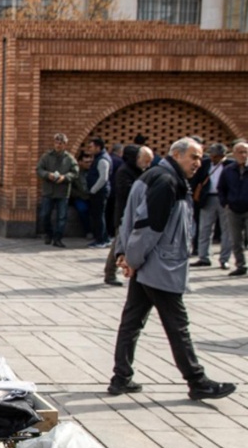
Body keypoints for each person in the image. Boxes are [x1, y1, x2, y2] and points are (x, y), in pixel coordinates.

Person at [109, 137, 235, 401]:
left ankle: (121, 378)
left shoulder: (158, 176)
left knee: (131, 322)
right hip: (158, 267)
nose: (198, 163)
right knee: (178, 325)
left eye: (199, 158)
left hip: (147, 264)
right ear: (177, 155)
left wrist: (126, 254)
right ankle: (197, 381)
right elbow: (147, 227)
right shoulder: (166, 181)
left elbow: (129, 219)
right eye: (194, 157)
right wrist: (131, 259)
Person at [104, 145, 151, 287]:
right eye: (145, 161)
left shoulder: (140, 172)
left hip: (136, 214)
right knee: (118, 244)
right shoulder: (124, 171)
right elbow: (126, 192)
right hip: (124, 215)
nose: (148, 165)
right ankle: (110, 273)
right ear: (136, 158)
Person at [37, 133, 77, 247]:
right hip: (48, 191)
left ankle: (58, 238)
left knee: (62, 217)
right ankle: (48, 234)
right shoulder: (46, 156)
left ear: (65, 144)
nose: (58, 145)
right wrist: (47, 175)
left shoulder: (69, 158)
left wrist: (65, 177)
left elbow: (75, 173)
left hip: (62, 191)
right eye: (56, 142)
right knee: (44, 215)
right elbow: (39, 169)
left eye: (61, 143)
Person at [193, 143, 227, 267]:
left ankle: (224, 259)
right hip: (208, 198)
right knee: (204, 229)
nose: (213, 158)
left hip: (224, 200)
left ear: (222, 156)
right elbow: (197, 179)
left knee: (226, 230)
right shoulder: (205, 164)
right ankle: (204, 257)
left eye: (216, 156)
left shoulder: (229, 165)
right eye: (211, 155)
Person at [220, 141, 248, 277]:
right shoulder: (228, 170)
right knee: (236, 240)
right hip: (233, 209)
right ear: (234, 154)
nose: (243, 155)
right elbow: (221, 188)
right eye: (240, 152)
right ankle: (241, 265)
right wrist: (225, 203)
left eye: (245, 152)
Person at [85, 137, 112, 247]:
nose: (89, 149)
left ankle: (101, 240)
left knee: (98, 216)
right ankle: (103, 238)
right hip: (99, 192)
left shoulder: (102, 160)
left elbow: (103, 178)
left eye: (91, 147)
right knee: (99, 215)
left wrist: (93, 190)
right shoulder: (99, 158)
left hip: (99, 193)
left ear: (98, 147)